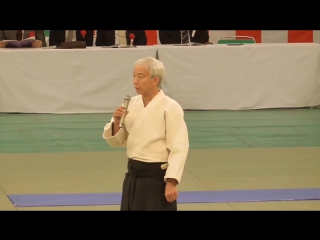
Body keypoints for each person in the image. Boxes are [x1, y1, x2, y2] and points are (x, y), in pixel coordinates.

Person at [102, 57, 189, 211]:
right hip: (133, 176)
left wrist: (171, 181)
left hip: (157, 179)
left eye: (140, 77)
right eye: (134, 76)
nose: (135, 81)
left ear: (155, 80)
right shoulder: (130, 104)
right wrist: (116, 121)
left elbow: (179, 147)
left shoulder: (171, 107)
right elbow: (117, 141)